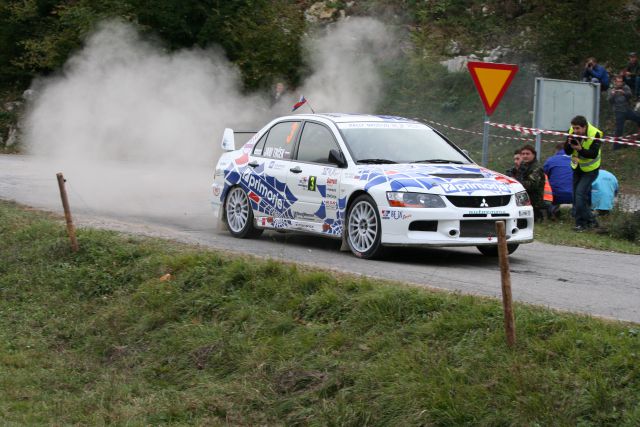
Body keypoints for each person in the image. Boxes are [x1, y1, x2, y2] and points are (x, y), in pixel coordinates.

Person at [564, 115, 603, 231]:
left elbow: (593, 154)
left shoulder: (596, 134)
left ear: (584, 127)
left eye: (578, 129)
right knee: (577, 197)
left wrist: (580, 149)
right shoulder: (571, 132)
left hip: (591, 169)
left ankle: (587, 222)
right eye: (573, 128)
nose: (575, 131)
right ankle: (583, 223)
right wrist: (570, 145)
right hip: (576, 167)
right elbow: (567, 151)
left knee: (580, 194)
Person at [608, 75, 640, 150]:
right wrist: (612, 95)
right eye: (618, 81)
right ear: (615, 82)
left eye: (620, 81)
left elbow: (630, 95)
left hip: (627, 110)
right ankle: (616, 148)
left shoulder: (626, 87)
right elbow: (610, 101)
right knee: (619, 130)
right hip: (618, 112)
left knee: (638, 117)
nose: (619, 83)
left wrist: (624, 93)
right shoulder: (612, 89)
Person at [515, 145, 545, 222]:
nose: (525, 156)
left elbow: (532, 185)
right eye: (523, 154)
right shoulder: (523, 165)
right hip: (524, 199)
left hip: (534, 201)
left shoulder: (536, 167)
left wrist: (516, 182)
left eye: (527, 154)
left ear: (533, 155)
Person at [543, 142, 573, 219]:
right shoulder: (576, 160)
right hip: (574, 194)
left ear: (557, 150)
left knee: (548, 186)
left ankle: (553, 212)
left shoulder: (551, 160)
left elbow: (544, 174)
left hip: (556, 195)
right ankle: (575, 214)